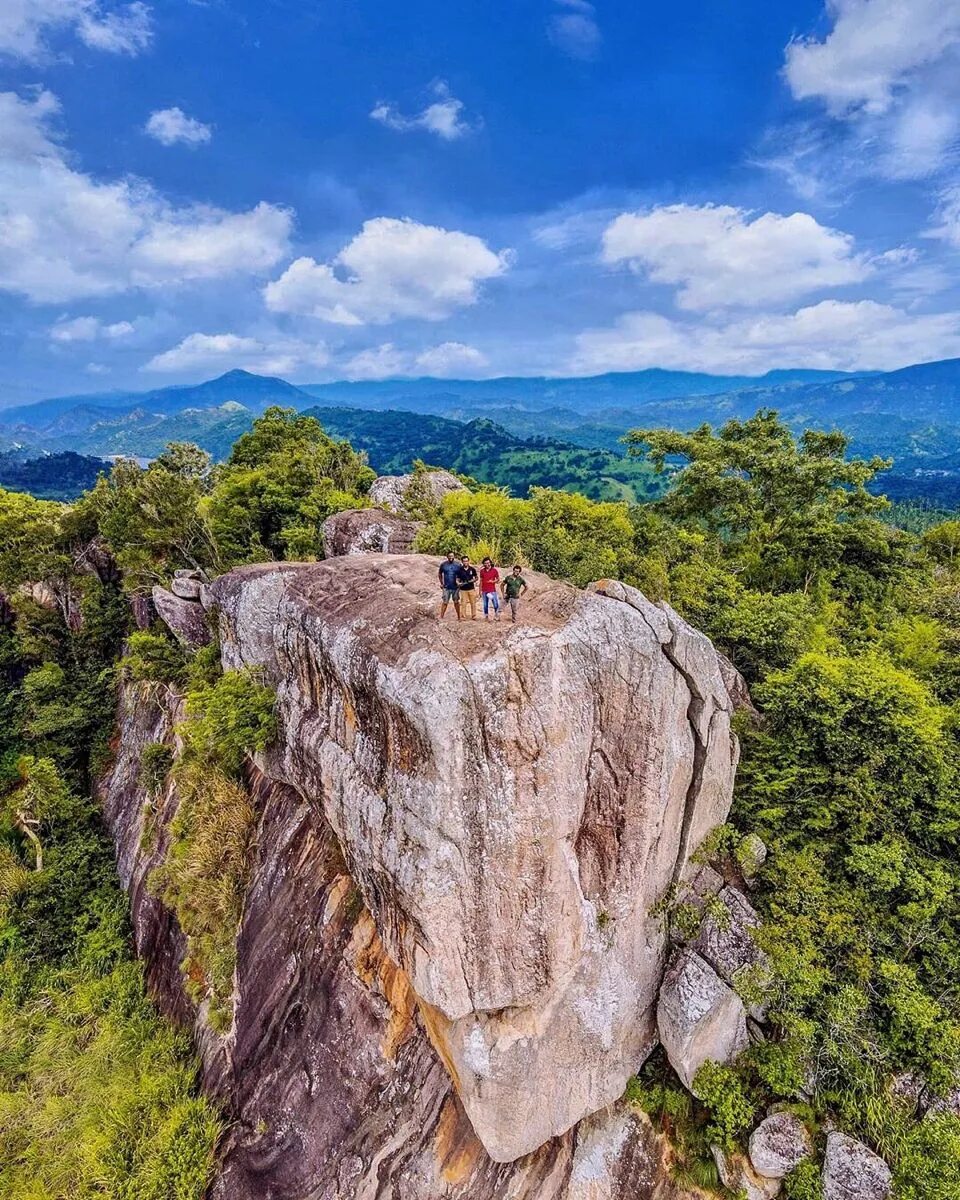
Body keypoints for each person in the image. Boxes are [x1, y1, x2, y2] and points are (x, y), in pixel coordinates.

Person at [438, 552, 462, 620]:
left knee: (456, 602)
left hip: (455, 587)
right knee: (445, 602)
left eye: (452, 556)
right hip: (446, 587)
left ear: (454, 556)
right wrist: (441, 583)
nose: (451, 557)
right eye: (449, 556)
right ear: (447, 556)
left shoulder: (458, 565)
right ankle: (441, 617)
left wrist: (459, 582)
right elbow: (440, 574)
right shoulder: (443, 564)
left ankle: (459, 617)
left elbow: (461, 574)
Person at [456, 555, 479, 620]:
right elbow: (457, 579)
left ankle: (474, 616)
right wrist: (458, 583)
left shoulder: (472, 569)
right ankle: (463, 616)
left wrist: (473, 580)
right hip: (463, 589)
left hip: (471, 588)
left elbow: (476, 577)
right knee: (463, 603)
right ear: (462, 562)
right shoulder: (459, 570)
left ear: (469, 561)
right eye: (464, 561)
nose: (465, 562)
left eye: (467, 561)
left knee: (473, 603)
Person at [479, 557, 501, 621]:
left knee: (495, 603)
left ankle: (497, 615)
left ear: (490, 562)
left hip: (492, 590)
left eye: (488, 563)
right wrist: (479, 591)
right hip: (484, 590)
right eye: (485, 563)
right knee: (485, 604)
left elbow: (498, 579)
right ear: (483, 564)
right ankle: (486, 616)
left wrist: (493, 581)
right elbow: (481, 581)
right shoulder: (482, 571)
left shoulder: (494, 570)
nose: (487, 564)